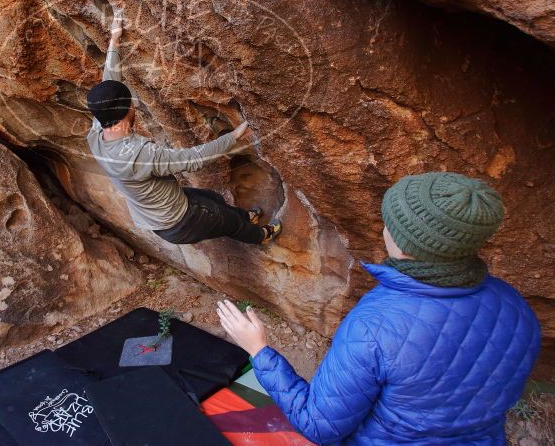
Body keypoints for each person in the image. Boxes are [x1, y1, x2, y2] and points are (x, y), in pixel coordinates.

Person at [217, 171, 541, 444]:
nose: (385, 229)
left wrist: (259, 350)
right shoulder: (514, 307)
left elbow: (318, 425)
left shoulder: (376, 326)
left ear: (405, 244)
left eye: (391, 224)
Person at [86, 13, 282, 245]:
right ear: (125, 111)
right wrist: (236, 135)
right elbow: (192, 159)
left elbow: (108, 88)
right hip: (179, 221)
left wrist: (114, 42)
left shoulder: (98, 131)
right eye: (130, 102)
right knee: (229, 222)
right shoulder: (139, 155)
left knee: (211, 198)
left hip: (156, 215)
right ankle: (262, 235)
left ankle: (246, 216)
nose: (133, 104)